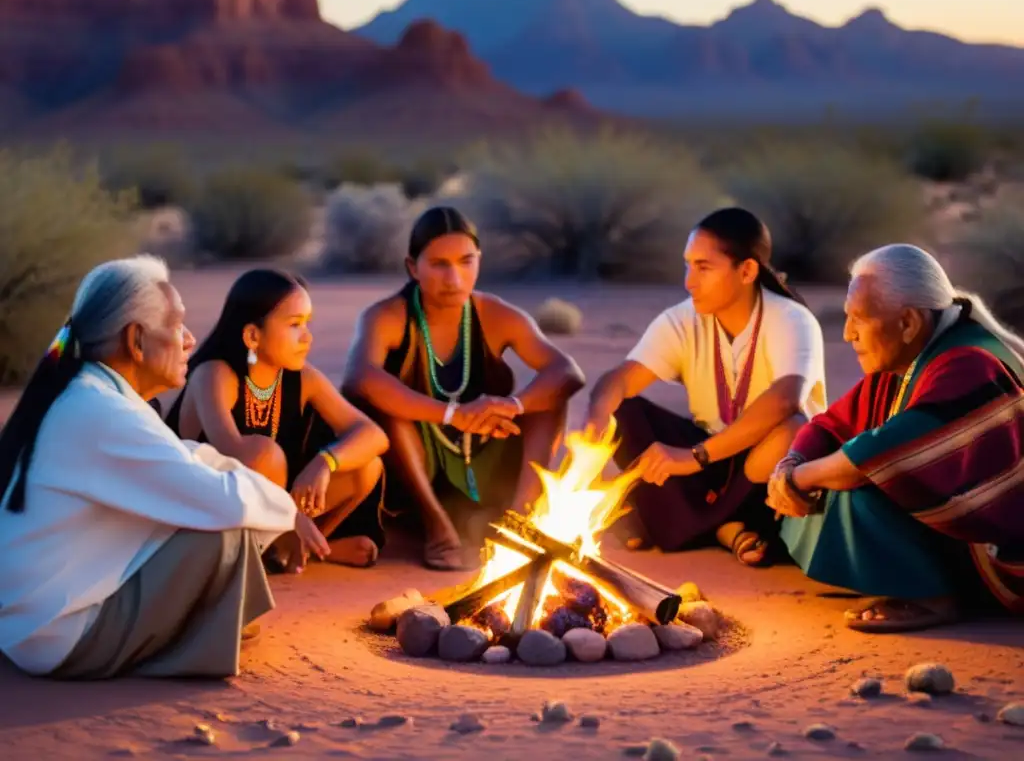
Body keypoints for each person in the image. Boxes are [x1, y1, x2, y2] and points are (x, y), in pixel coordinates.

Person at [0, 256, 328, 680]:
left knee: (207, 497)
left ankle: (199, 627)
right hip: (60, 637)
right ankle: (189, 646)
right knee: (223, 532)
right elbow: (222, 502)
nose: (191, 339)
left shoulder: (88, 392)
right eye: (176, 326)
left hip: (33, 623)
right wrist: (287, 511)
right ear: (136, 341)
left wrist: (276, 503)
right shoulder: (98, 410)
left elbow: (187, 457)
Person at [769, 243, 1024, 632]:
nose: (847, 333)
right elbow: (829, 425)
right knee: (830, 477)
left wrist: (796, 480)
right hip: (965, 535)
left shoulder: (969, 362)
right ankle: (909, 577)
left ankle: (932, 596)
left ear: (907, 323)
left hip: (1003, 552)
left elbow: (878, 456)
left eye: (858, 319)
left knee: (856, 491)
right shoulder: (908, 363)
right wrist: (792, 463)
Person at [342, 206, 586, 571]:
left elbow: (566, 371)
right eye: (439, 264)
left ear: (479, 262)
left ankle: (519, 524)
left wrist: (512, 406)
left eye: (465, 261)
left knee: (549, 401)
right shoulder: (388, 317)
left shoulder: (494, 313)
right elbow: (359, 378)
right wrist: (453, 414)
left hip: (483, 447)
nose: (454, 277)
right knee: (385, 406)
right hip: (415, 465)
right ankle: (438, 528)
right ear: (413, 267)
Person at [585, 207, 827, 566]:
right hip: (706, 463)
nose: (688, 281)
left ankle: (677, 520)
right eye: (688, 265)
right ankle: (725, 528)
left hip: (759, 472)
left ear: (746, 271)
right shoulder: (684, 319)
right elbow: (618, 380)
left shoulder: (791, 319)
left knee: (791, 431)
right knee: (624, 411)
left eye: (704, 267)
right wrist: (591, 435)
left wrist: (694, 457)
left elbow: (785, 399)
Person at [165, 269, 389, 572]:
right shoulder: (215, 374)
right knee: (263, 454)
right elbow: (231, 455)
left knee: (365, 465)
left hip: (269, 511)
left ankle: (293, 549)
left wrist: (325, 462)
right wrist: (293, 516)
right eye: (295, 325)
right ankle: (283, 547)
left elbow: (374, 435)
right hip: (201, 511)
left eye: (307, 323)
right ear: (253, 335)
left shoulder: (302, 378)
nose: (307, 336)